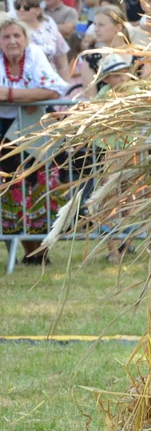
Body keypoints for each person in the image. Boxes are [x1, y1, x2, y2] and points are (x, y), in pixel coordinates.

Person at [0, 15, 67, 265]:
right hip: (4, 133)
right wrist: (29, 96)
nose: (12, 41)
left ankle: (38, 254)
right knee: (10, 191)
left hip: (36, 128)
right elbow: (41, 90)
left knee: (40, 189)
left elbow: (52, 89)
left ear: (26, 39)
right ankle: (22, 253)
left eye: (17, 35)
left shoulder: (35, 54)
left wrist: (8, 94)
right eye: (6, 36)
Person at [14, 0, 70, 81]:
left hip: (49, 79)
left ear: (38, 10)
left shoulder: (49, 27)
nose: (21, 10)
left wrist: (66, 87)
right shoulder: (11, 31)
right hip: (21, 81)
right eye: (17, 7)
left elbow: (62, 63)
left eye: (26, 7)